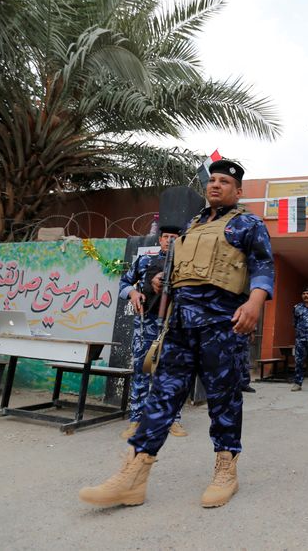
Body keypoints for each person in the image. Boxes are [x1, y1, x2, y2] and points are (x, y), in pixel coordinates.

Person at [80, 159, 275, 509]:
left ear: (238, 190)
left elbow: (263, 266)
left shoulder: (248, 224)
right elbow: (177, 271)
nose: (216, 185)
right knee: (162, 397)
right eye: (212, 180)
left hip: (222, 326)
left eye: (225, 182)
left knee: (224, 400)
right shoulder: (191, 224)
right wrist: (158, 281)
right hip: (180, 326)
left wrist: (255, 303)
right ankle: (134, 475)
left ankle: (226, 469)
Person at [118, 226, 187, 439]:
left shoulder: (186, 264)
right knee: (141, 370)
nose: (169, 240)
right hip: (145, 324)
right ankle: (136, 419)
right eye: (166, 237)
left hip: (174, 326)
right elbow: (124, 283)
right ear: (160, 239)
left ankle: (172, 420)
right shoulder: (144, 261)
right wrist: (133, 293)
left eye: (174, 237)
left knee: (173, 373)